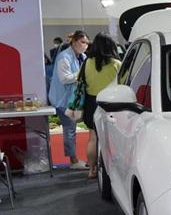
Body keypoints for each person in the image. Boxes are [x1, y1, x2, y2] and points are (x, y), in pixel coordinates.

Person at [48, 30, 90, 169]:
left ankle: (76, 158)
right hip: (63, 99)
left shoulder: (82, 56)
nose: (85, 46)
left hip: (74, 99)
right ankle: (73, 160)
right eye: (82, 42)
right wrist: (81, 74)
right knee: (70, 129)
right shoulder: (64, 57)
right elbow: (64, 78)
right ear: (74, 41)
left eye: (87, 43)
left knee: (72, 128)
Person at [82, 34, 121, 179]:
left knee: (93, 137)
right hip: (112, 103)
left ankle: (91, 170)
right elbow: (124, 83)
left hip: (92, 102)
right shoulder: (117, 64)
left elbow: (81, 81)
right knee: (113, 139)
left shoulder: (87, 62)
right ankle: (112, 170)